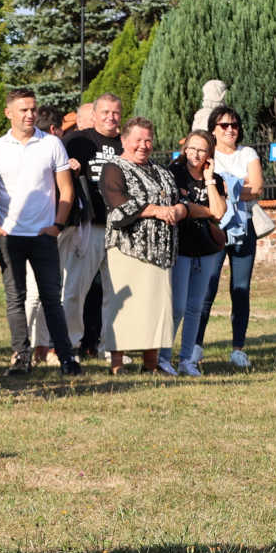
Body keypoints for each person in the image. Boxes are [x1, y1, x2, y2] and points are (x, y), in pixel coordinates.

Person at [0, 88, 81, 375]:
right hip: (10, 236)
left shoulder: (51, 144)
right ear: (9, 113)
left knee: (52, 298)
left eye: (33, 109)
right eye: (23, 110)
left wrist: (57, 225)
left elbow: (66, 188)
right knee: (16, 299)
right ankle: (21, 357)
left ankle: (66, 357)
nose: (30, 115)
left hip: (43, 235)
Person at [99, 117, 180, 373]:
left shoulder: (161, 171)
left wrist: (178, 209)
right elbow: (119, 205)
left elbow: (177, 198)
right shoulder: (114, 168)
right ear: (124, 140)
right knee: (123, 309)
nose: (143, 145)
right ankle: (117, 363)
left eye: (148, 140)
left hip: (160, 251)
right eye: (138, 140)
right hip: (127, 248)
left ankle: (151, 363)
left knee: (155, 307)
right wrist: (156, 210)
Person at [193, 106, 263, 369]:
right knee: (207, 287)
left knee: (241, 289)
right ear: (213, 129)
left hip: (243, 228)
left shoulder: (247, 153)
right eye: (224, 125)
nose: (230, 129)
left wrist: (223, 185)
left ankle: (238, 348)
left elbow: (255, 187)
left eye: (234, 125)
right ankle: (196, 345)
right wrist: (236, 184)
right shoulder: (207, 155)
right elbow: (201, 185)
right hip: (213, 227)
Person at [58, 94, 122, 361]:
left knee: (116, 291)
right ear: (94, 114)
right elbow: (56, 174)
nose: (110, 117)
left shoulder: (124, 143)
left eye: (116, 113)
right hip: (89, 226)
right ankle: (70, 344)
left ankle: (112, 346)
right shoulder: (77, 141)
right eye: (105, 112)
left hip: (120, 226)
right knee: (74, 289)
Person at [162, 130, 228, 376]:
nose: (195, 154)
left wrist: (209, 180)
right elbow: (178, 209)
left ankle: (187, 360)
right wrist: (201, 210)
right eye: (192, 148)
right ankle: (163, 356)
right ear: (184, 149)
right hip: (180, 248)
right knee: (177, 306)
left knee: (195, 307)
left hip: (206, 249)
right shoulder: (173, 174)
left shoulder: (216, 178)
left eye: (202, 150)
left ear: (209, 154)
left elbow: (219, 211)